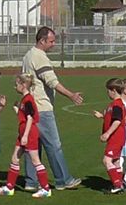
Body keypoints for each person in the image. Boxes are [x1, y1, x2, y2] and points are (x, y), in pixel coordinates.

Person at [21, 26, 83, 190]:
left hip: (30, 107)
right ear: (42, 40)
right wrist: (70, 94)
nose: (53, 44)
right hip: (42, 107)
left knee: (33, 146)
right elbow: (51, 81)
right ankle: (63, 180)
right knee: (54, 145)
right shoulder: (39, 57)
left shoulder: (28, 55)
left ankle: (31, 181)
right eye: (51, 41)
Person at [0, 73, 51, 198]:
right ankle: (9, 187)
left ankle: (46, 188)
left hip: (29, 134)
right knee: (15, 158)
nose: (15, 87)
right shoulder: (24, 100)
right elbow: (24, 117)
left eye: (16, 85)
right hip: (23, 133)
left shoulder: (29, 99)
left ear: (23, 85)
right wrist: (17, 109)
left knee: (35, 160)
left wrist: (25, 136)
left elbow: (30, 118)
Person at [93, 78, 126, 194]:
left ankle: (117, 185)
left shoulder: (117, 105)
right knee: (116, 161)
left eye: (108, 90)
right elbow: (115, 118)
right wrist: (102, 117)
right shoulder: (115, 104)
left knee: (107, 160)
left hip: (116, 137)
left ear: (113, 90)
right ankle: (119, 182)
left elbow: (118, 121)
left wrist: (107, 133)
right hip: (118, 137)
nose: (107, 93)